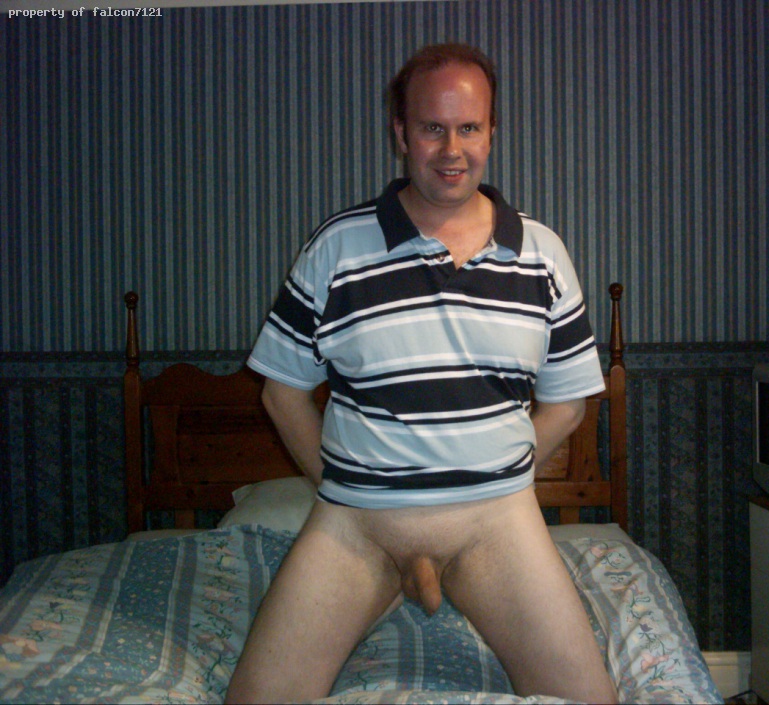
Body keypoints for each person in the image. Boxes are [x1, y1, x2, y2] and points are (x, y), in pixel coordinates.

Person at [225, 43, 618, 703]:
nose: (451, 149)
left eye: (469, 127)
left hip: (499, 527)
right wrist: (345, 486)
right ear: (402, 134)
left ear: (491, 132)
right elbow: (281, 393)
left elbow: (567, 405)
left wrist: (494, 471)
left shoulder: (543, 254)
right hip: (357, 530)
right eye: (433, 127)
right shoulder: (337, 247)